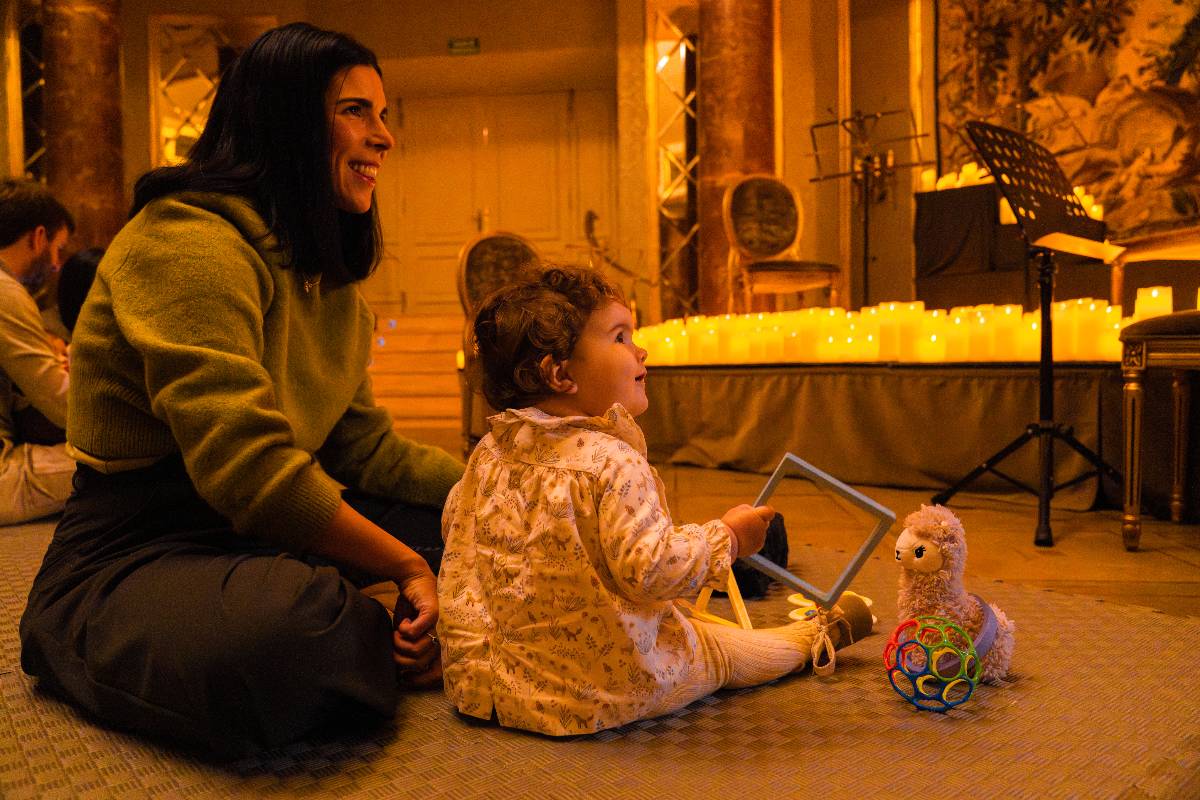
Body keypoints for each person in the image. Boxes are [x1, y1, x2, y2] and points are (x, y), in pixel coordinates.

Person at [19, 23, 464, 757]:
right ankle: (383, 623)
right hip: (136, 551)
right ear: (285, 119)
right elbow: (249, 472)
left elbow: (367, 451)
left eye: (384, 116)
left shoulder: (329, 287)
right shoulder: (185, 242)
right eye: (358, 111)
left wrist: (501, 487)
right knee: (297, 635)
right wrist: (406, 568)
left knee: (493, 530)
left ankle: (393, 614)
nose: (384, 138)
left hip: (262, 534)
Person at [438, 266, 875, 736]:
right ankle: (814, 636)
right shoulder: (612, 462)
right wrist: (727, 537)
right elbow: (652, 571)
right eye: (620, 337)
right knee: (718, 651)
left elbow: (455, 530)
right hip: (595, 693)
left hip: (487, 688)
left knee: (667, 618)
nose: (640, 349)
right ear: (560, 373)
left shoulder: (490, 449)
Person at [0, 179, 76, 525]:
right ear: (38, 237)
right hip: (5, 477)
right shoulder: (5, 292)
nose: (57, 265)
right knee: (132, 461)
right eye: (59, 249)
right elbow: (62, 405)